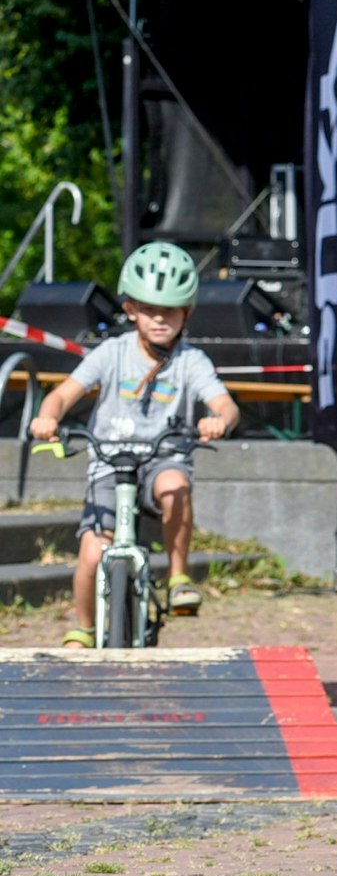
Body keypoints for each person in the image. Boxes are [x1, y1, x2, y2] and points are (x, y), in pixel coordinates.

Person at [31, 242, 239, 648]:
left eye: (172, 311)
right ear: (130, 310)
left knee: (175, 485)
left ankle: (178, 576)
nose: (160, 319)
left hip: (163, 456)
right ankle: (85, 627)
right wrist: (48, 416)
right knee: (92, 553)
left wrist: (219, 420)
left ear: (187, 313)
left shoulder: (190, 360)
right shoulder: (112, 353)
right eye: (149, 309)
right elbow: (63, 393)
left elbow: (224, 403)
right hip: (110, 463)